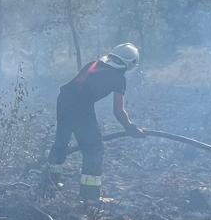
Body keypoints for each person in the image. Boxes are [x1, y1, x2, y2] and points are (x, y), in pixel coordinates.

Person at [45, 43, 146, 202]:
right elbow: (118, 111)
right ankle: (90, 196)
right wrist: (130, 128)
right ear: (130, 63)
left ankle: (48, 185)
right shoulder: (119, 78)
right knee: (94, 150)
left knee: (61, 142)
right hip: (81, 108)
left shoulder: (93, 64)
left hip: (63, 100)